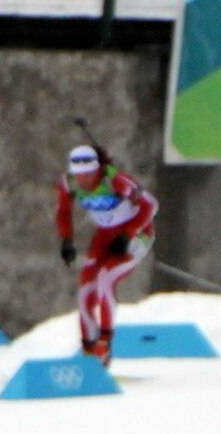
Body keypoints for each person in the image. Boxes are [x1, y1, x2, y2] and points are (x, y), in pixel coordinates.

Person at [54, 144, 157, 364]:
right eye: (79, 176)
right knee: (86, 286)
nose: (84, 181)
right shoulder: (69, 183)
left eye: (89, 175)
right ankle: (88, 346)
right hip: (105, 236)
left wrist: (129, 233)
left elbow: (150, 205)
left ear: (97, 169)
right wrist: (66, 240)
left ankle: (104, 342)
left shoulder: (116, 181)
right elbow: (63, 211)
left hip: (135, 235)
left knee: (105, 279)